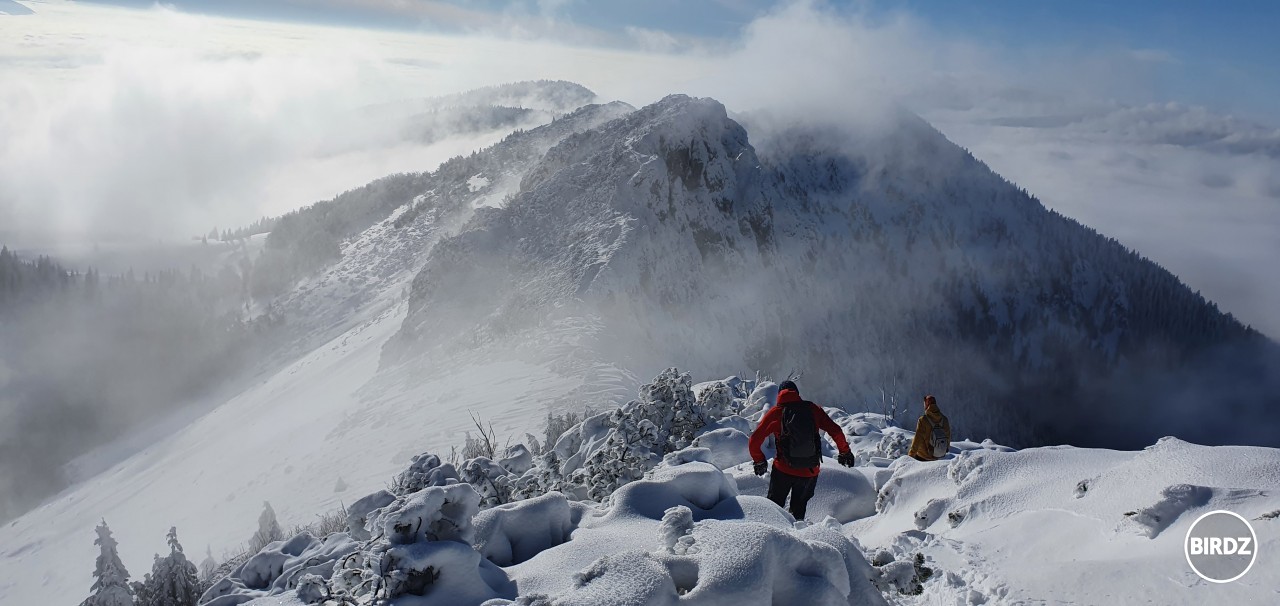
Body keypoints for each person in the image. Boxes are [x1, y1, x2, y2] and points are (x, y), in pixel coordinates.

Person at [749, 380, 855, 521]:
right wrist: (844, 452)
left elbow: (755, 439)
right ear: (797, 393)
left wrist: (759, 460)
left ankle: (773, 535)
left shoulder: (776, 413)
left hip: (782, 470)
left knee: (774, 509)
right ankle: (797, 536)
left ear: (779, 394)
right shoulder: (812, 409)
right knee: (798, 511)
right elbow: (835, 430)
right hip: (809, 471)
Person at [908, 394, 951, 461]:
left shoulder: (923, 420)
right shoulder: (944, 419)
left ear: (926, 404)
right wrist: (945, 449)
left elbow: (917, 439)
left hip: (923, 456)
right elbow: (948, 436)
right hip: (938, 455)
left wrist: (910, 455)